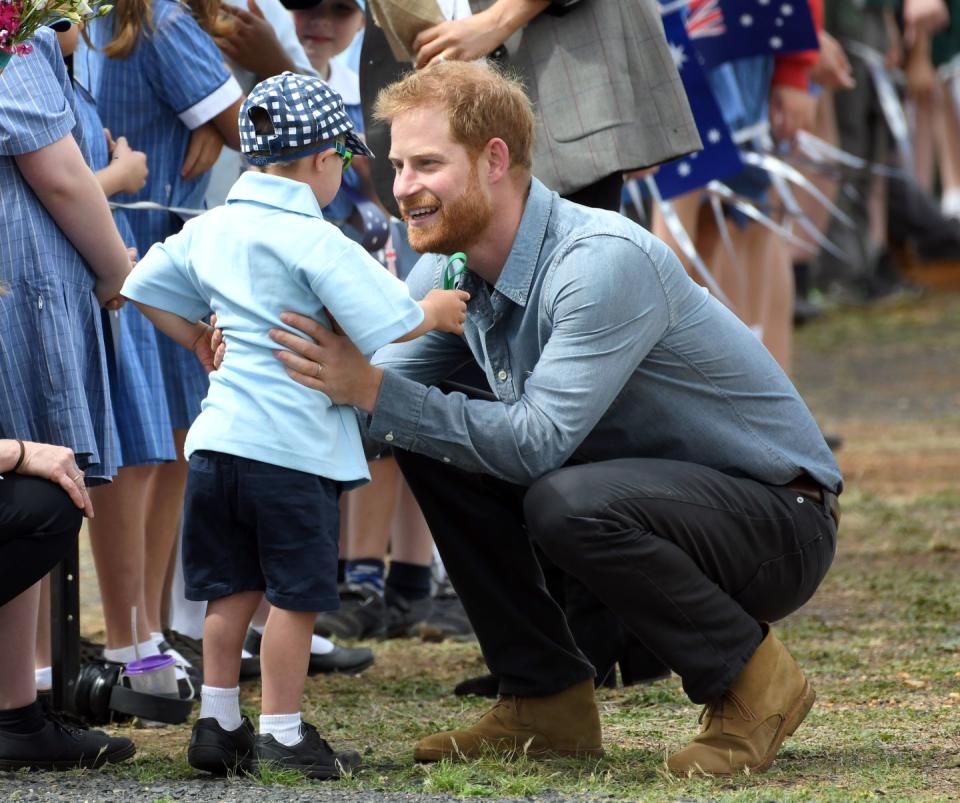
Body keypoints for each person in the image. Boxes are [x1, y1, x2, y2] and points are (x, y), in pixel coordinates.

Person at [267, 61, 843, 776]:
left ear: (495, 159)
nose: (403, 186)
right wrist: (265, 380)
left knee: (556, 493)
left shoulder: (597, 262)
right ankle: (546, 699)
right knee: (430, 438)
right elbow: (375, 415)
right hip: (644, 511)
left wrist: (373, 388)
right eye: (396, 164)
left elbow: (535, 443)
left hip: (778, 520)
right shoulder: (449, 272)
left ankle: (755, 683)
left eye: (427, 163)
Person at [120, 72, 468, 778]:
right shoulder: (319, 239)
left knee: (228, 591)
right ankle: (281, 730)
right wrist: (436, 311)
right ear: (322, 161)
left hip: (218, 444)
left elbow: (141, 283)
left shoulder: (212, 226)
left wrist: (193, 338)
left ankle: (218, 724)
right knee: (295, 599)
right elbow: (391, 322)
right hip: (292, 451)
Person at [76, 0, 243, 674]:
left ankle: (149, 625)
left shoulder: (106, 21)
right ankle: (139, 629)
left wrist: (209, 125)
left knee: (168, 444)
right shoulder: (162, 21)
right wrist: (216, 123)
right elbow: (253, 131)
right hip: (144, 249)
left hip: (143, 239)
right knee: (153, 448)